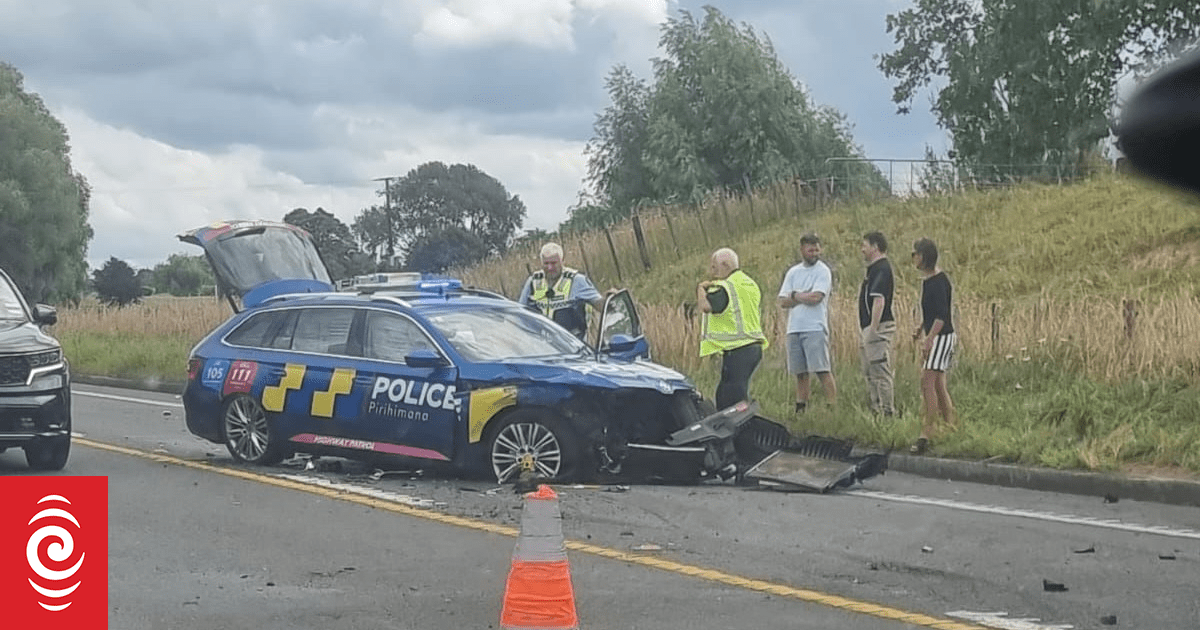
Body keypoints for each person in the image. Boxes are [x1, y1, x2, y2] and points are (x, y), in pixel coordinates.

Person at [697, 248, 767, 410]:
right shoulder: (749, 283)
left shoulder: (725, 288)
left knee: (730, 399)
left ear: (726, 265)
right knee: (729, 392)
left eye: (714, 267)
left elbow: (706, 306)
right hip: (754, 347)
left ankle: (739, 430)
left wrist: (700, 289)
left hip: (738, 350)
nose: (712, 273)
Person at [776, 233, 836, 413]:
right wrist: (801, 296)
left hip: (814, 327)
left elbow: (816, 297)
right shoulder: (793, 272)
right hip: (794, 328)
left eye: (817, 249)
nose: (814, 253)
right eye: (810, 250)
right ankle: (801, 407)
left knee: (821, 369)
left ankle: (832, 406)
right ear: (802, 250)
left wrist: (795, 295)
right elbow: (782, 301)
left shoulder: (823, 271)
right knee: (800, 372)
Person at [910, 238, 957, 454]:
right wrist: (921, 327)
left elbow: (941, 315)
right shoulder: (929, 280)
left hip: (941, 335)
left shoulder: (938, 281)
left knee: (926, 381)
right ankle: (950, 426)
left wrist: (929, 339)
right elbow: (931, 312)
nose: (914, 257)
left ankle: (927, 433)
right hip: (938, 333)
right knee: (938, 383)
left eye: (917, 254)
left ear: (925, 256)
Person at [518, 243, 608, 340]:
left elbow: (601, 306)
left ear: (562, 261)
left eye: (553, 263)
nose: (550, 268)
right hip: (542, 344)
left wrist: (609, 299)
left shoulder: (577, 281)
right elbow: (520, 311)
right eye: (546, 263)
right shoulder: (533, 282)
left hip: (573, 344)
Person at [858, 231, 896, 416]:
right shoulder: (873, 270)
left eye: (864, 245)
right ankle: (876, 409)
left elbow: (879, 300)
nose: (862, 249)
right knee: (870, 371)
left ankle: (887, 412)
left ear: (875, 247)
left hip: (878, 328)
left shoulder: (882, 269)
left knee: (880, 371)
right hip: (869, 327)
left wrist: (873, 329)